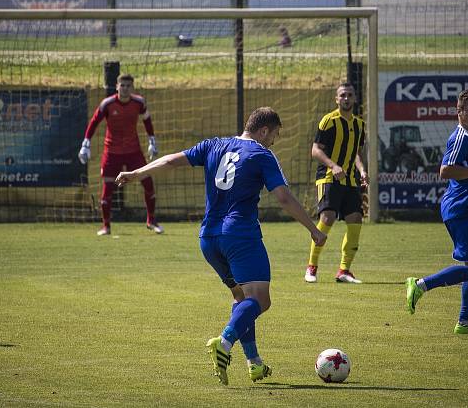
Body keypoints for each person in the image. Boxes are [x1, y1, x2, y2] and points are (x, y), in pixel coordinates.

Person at [116, 107, 326, 385]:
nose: (274, 141)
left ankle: (254, 363)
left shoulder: (213, 145)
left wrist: (137, 173)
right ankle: (224, 343)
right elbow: (284, 198)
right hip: (240, 236)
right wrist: (313, 229)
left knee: (241, 297)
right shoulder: (262, 155)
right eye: (274, 135)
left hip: (209, 238)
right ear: (264, 131)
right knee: (260, 299)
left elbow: (169, 161)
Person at [405, 89, 468, 335]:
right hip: (462, 208)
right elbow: (445, 170)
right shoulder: (459, 137)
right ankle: (420, 285)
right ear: (458, 112)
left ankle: (465, 322)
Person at [78, 73, 162, 235]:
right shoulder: (107, 104)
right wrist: (85, 144)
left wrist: (152, 141)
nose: (124, 89)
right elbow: (94, 122)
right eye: (122, 85)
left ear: (132, 87)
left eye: (128, 86)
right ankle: (106, 226)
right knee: (108, 189)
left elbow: (147, 121)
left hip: (133, 151)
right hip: (112, 152)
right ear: (116, 86)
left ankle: (151, 220)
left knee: (148, 183)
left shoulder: (139, 103)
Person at [304, 82, 369, 284]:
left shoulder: (360, 125)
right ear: (336, 99)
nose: (346, 98)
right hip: (329, 177)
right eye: (342, 95)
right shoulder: (328, 121)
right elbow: (316, 150)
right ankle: (312, 267)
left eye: (350, 95)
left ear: (355, 98)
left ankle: (344, 271)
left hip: (350, 180)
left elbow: (356, 153)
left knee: (356, 219)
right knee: (328, 217)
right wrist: (333, 166)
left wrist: (362, 171)